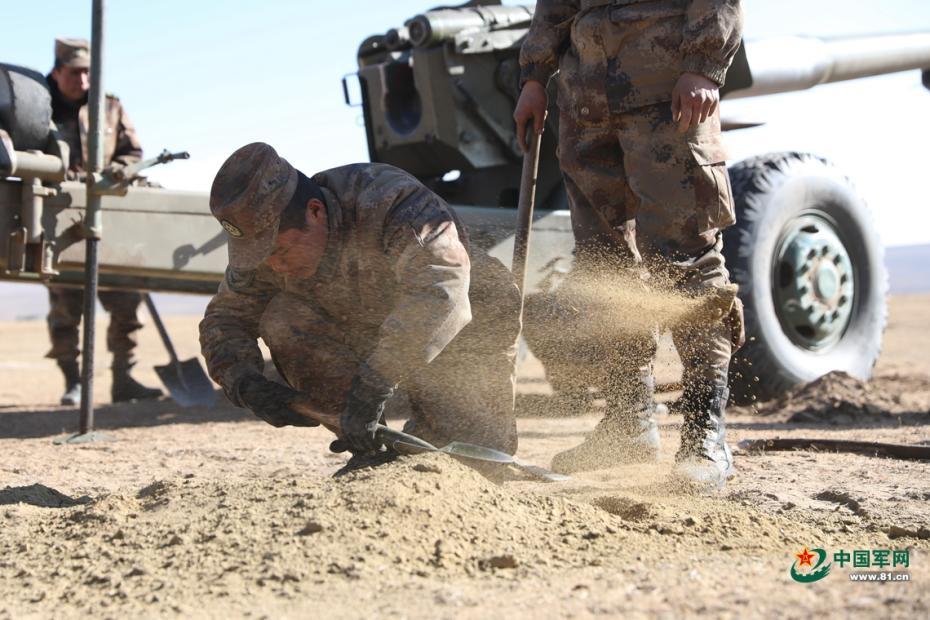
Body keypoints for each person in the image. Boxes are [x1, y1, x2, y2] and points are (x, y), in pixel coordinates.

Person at [513, 0, 745, 486]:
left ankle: (706, 437)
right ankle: (628, 424)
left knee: (685, 262)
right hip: (586, 107)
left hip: (667, 96)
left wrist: (703, 63)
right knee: (604, 268)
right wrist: (535, 76)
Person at [199, 143, 521, 467]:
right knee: (283, 318)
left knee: (473, 462)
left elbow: (441, 292)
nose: (274, 267)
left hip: (469, 320)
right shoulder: (267, 248)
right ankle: (367, 445)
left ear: (315, 212)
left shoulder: (387, 199)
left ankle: (436, 427)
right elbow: (225, 318)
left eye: (281, 253)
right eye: (263, 258)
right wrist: (245, 384)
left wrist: (376, 380)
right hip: (371, 322)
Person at [44, 37, 162, 406]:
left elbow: (133, 153)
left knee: (127, 300)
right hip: (61, 218)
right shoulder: (38, 106)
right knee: (66, 307)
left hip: (111, 217)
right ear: (57, 71)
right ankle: (74, 383)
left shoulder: (109, 106)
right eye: (75, 72)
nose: (82, 80)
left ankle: (123, 379)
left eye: (87, 72)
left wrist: (119, 170)